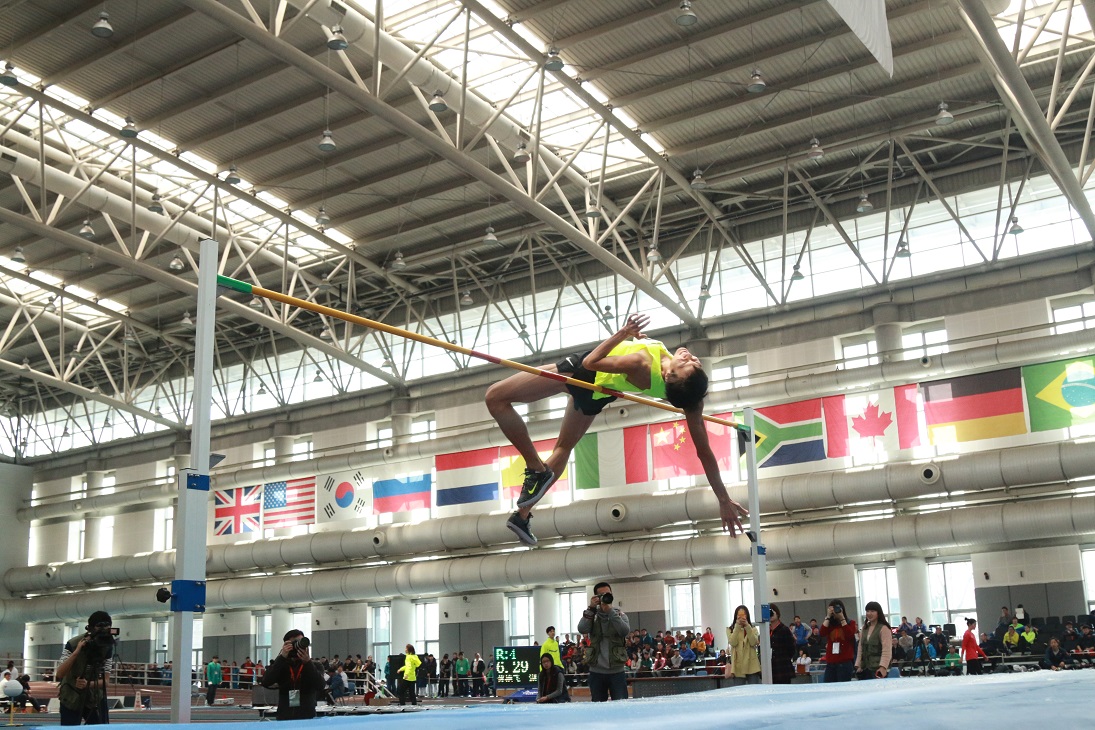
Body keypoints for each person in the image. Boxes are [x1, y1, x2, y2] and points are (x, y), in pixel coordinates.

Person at [485, 313, 748, 545]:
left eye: (689, 363)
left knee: (495, 398)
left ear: (670, 376)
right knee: (563, 447)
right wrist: (723, 499)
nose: (691, 356)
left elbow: (590, 362)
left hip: (579, 375)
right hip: (598, 394)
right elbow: (704, 452)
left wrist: (623, 332)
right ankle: (522, 516)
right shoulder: (689, 396)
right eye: (696, 362)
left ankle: (536, 467)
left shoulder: (640, 363)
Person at [56, 610, 116, 726]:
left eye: (107, 626)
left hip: (95, 697)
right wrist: (77, 651)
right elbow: (59, 673)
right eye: (99, 626)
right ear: (90, 628)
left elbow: (106, 681)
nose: (103, 630)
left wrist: (88, 684)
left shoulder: (107, 646)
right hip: (71, 695)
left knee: (101, 727)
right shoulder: (73, 644)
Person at [577, 581, 630, 701]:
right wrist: (591, 608)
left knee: (621, 706)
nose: (605, 597)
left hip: (617, 671)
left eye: (608, 594)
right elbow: (582, 629)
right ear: (596, 597)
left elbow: (624, 631)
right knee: (598, 707)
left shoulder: (620, 615)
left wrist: (610, 612)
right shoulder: (592, 615)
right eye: (602, 595)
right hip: (596, 671)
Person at [260, 630, 326, 721]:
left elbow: (320, 685)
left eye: (301, 642)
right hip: (284, 716)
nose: (298, 646)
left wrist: (308, 663)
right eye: (295, 642)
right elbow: (266, 682)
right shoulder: (282, 665)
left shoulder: (315, 665)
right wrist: (282, 657)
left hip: (307, 716)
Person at [820, 600, 857, 682]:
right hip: (831, 662)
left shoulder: (851, 623)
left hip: (845, 662)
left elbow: (850, 635)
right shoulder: (829, 624)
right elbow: (822, 633)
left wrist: (842, 618)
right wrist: (828, 616)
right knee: (828, 686)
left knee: (843, 687)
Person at [854, 601, 892, 680]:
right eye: (867, 611)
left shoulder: (884, 628)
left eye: (872, 611)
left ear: (878, 613)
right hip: (864, 669)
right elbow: (860, 648)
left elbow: (886, 650)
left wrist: (883, 667)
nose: (869, 613)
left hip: (877, 669)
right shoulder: (864, 628)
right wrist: (858, 665)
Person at [726, 604, 761, 685]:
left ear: (747, 616)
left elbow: (753, 642)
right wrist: (737, 626)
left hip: (752, 665)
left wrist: (747, 626)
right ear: (736, 616)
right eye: (739, 615)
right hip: (738, 666)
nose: (741, 617)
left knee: (754, 689)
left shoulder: (753, 629)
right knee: (739, 690)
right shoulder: (730, 630)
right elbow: (733, 642)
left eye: (743, 615)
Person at [768, 604, 797, 684]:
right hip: (771, 668)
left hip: (783, 667)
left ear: (777, 613)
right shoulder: (766, 630)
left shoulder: (784, 629)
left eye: (772, 612)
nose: (770, 614)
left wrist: (784, 657)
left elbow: (791, 649)